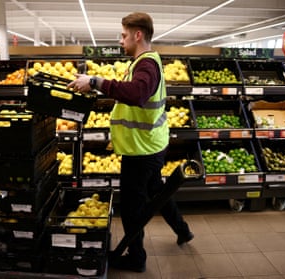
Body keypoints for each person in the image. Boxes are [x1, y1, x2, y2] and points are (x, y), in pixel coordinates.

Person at [67, 12, 193, 273]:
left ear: (138, 35)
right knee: (157, 191)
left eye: (124, 35)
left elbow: (136, 94)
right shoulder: (143, 62)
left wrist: (95, 82)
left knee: (132, 207)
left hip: (142, 149)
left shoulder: (146, 64)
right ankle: (183, 230)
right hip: (149, 143)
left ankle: (136, 258)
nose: (121, 40)